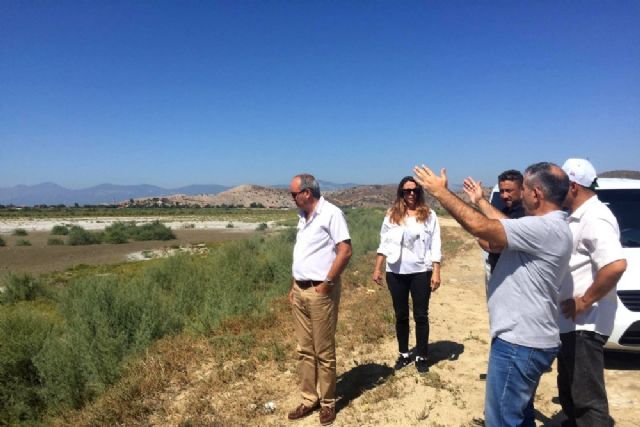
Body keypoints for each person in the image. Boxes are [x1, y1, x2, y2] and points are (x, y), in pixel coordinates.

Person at [415, 162, 572, 427]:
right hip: (528, 340)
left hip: (519, 344)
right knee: (520, 415)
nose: (521, 194)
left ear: (536, 194)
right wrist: (479, 200)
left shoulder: (544, 229)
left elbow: (481, 227)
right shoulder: (550, 226)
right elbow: (504, 224)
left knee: (501, 420)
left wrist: (440, 192)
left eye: (525, 189)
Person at [557, 158, 627, 427]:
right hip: (572, 324)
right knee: (571, 391)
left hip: (585, 324)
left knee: (587, 399)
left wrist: (585, 301)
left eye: (560, 185)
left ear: (573, 186)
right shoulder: (577, 215)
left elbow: (615, 265)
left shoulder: (595, 217)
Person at [287, 173, 352, 426]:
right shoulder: (302, 217)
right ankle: (308, 398)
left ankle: (327, 403)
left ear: (307, 193)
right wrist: (294, 285)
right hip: (300, 291)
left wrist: (327, 284)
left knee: (323, 350)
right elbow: (303, 254)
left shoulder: (331, 214)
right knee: (304, 349)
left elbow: (345, 250)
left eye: (293, 194)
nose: (292, 198)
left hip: (320, 292)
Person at [372, 176, 442, 374]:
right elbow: (384, 243)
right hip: (396, 272)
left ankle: (422, 356)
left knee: (421, 315)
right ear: (401, 193)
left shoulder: (429, 215)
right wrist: (377, 268)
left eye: (415, 190)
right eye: (407, 191)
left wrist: (436, 270)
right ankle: (404, 354)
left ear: (419, 192)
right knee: (401, 315)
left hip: (421, 271)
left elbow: (435, 243)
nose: (411, 194)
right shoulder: (392, 215)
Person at [468, 169, 525, 273]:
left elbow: (505, 237)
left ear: (522, 189)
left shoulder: (526, 213)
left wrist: (494, 241)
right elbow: (484, 237)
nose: (504, 196)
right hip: (496, 269)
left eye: (509, 191)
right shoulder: (500, 209)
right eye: (501, 191)